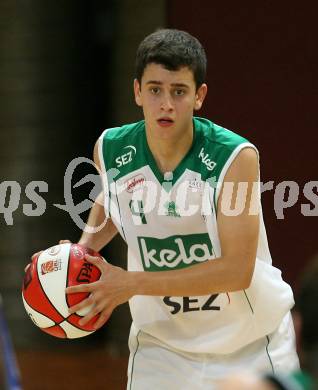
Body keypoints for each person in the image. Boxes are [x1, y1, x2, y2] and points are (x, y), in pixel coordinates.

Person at [41, 29, 300, 389]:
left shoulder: (235, 158)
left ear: (199, 96)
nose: (166, 104)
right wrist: (80, 253)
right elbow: (113, 200)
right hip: (162, 348)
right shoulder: (111, 149)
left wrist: (130, 284)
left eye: (179, 91)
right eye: (155, 89)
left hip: (250, 344)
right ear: (137, 91)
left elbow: (236, 271)